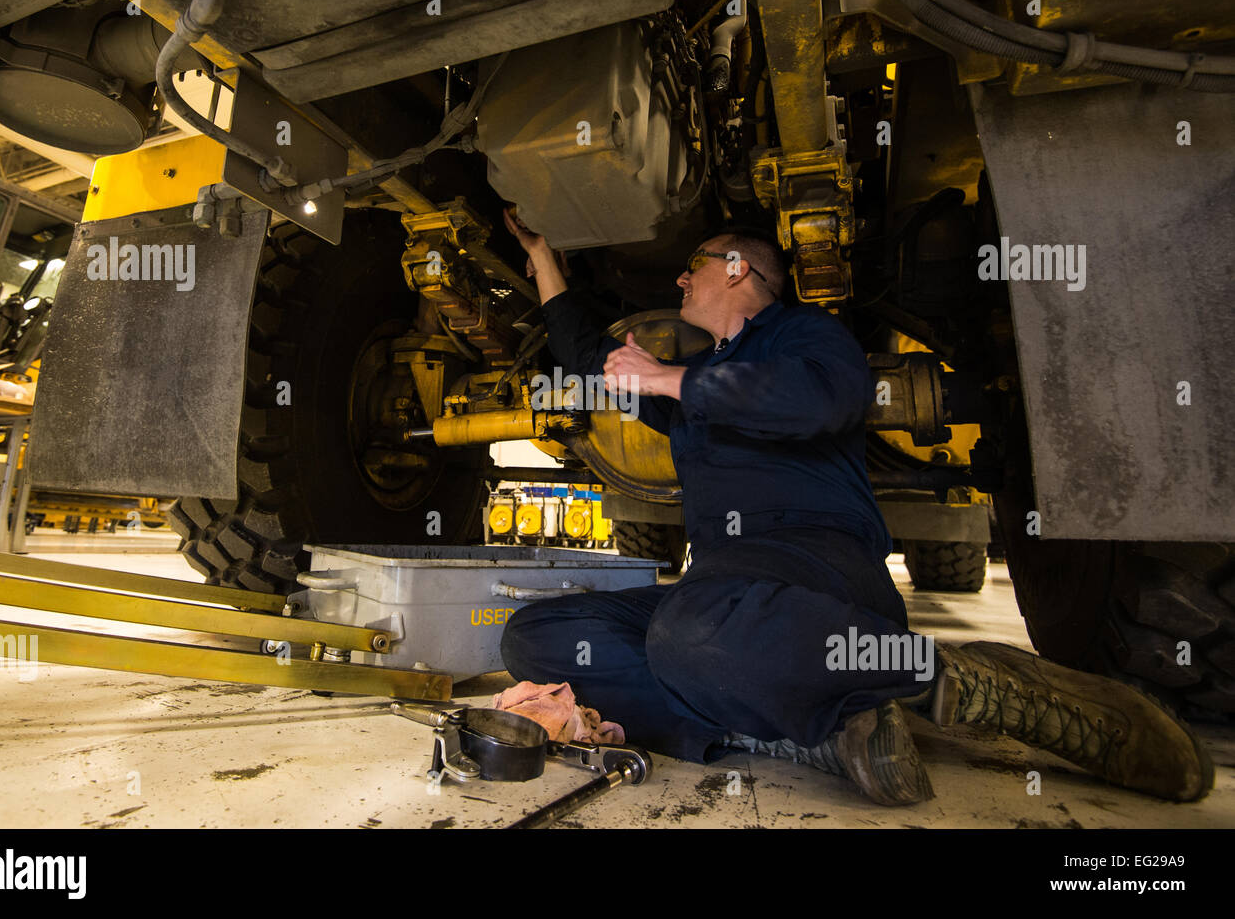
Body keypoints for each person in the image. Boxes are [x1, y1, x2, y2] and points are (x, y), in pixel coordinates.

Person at [497, 208, 1213, 805]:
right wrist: (544, 260)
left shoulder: (804, 335)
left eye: (697, 265)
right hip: (728, 591)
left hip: (821, 571)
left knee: (688, 633)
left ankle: (963, 681)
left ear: (740, 269)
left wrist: (672, 380)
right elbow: (592, 360)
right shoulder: (696, 377)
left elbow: (823, 399)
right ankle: (820, 725)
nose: (681, 278)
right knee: (536, 637)